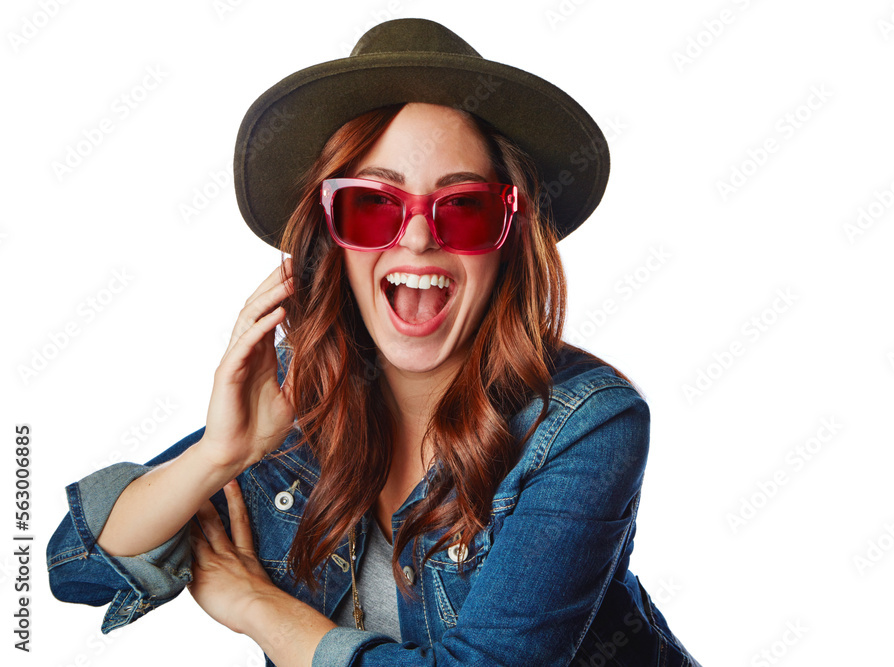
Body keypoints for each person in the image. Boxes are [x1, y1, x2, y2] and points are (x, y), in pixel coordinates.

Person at [46, 18, 701, 667]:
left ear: (509, 242)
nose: (417, 238)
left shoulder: (587, 423)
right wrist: (222, 453)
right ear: (331, 239)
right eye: (372, 206)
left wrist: (259, 608)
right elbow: (76, 565)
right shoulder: (294, 403)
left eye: (465, 208)